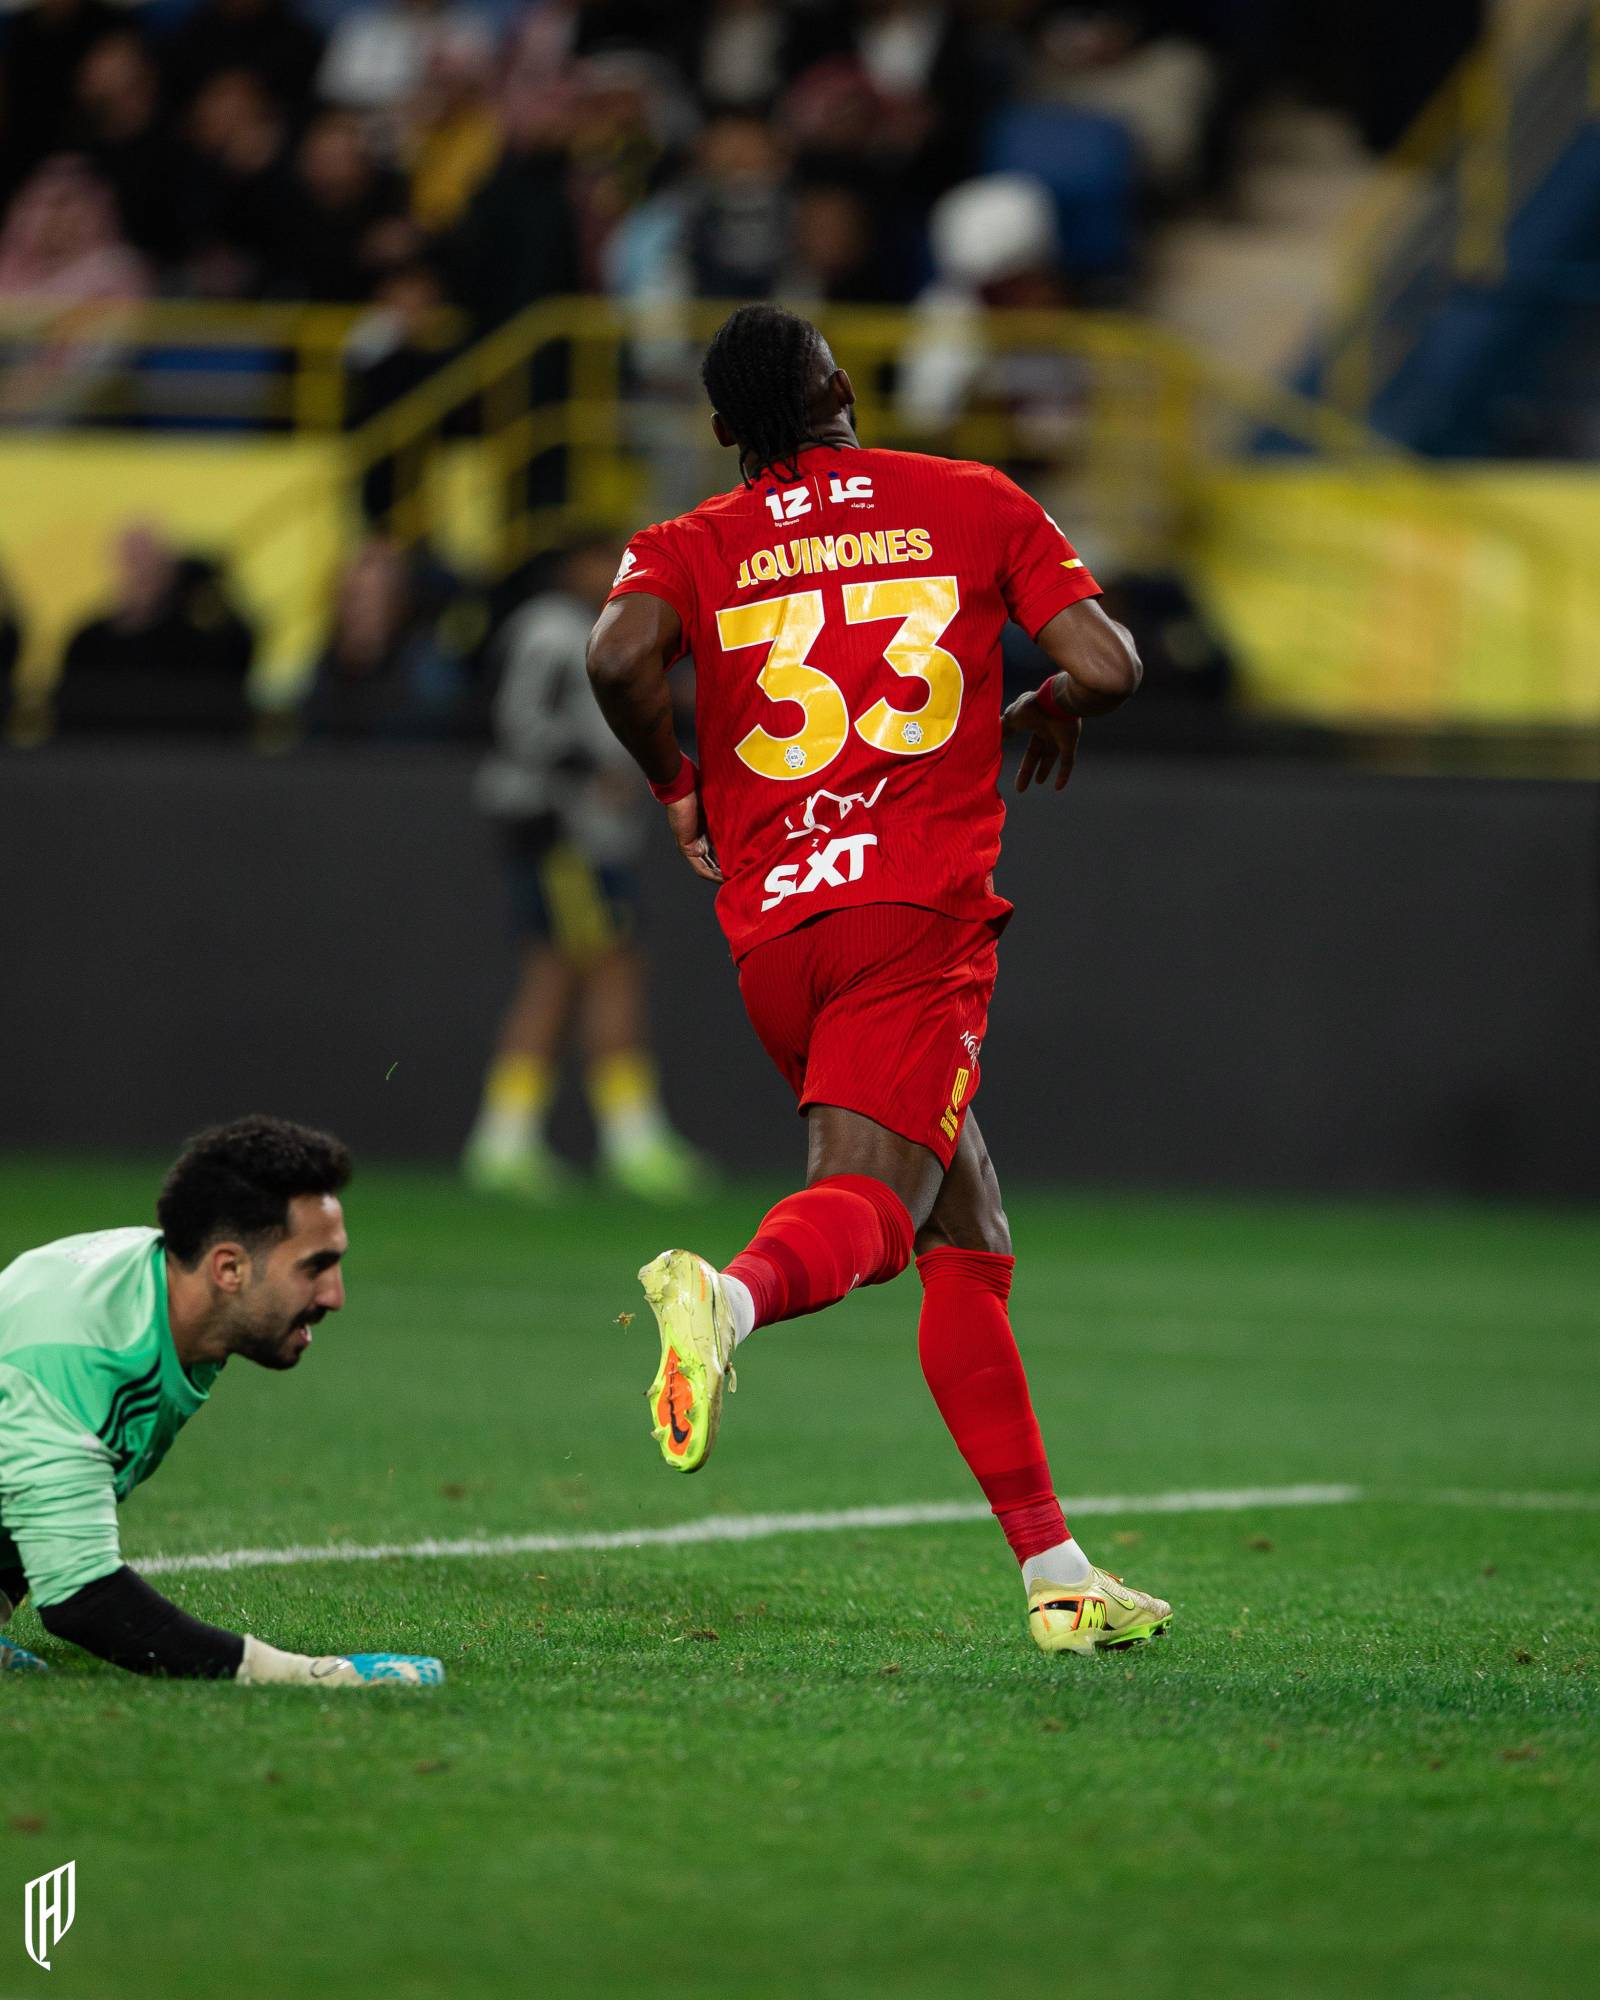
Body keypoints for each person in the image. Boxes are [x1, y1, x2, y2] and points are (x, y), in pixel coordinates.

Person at [586, 303, 1172, 1658]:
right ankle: (725, 1300)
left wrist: (679, 784)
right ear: (844, 383)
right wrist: (1044, 706)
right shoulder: (965, 499)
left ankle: (1058, 1574)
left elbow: (616, 655)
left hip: (776, 928)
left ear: (726, 432)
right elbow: (1109, 664)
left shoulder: (693, 540)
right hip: (912, 912)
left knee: (970, 1226)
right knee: (875, 1210)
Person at [0, 1116, 442, 1684]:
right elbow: (83, 1599)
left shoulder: (162, 1292)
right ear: (228, 1268)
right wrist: (303, 1673)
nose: (335, 1296)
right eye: (315, 1268)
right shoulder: (77, 1363)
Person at [464, 536, 712, 1203]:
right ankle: (627, 1139)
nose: (615, 572)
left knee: (564, 973)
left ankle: (507, 1137)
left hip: (579, 834)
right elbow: (515, 719)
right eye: (604, 557)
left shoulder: (590, 628)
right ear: (570, 563)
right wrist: (591, 768)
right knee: (606, 968)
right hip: (559, 829)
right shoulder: (550, 629)